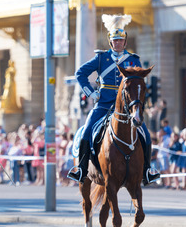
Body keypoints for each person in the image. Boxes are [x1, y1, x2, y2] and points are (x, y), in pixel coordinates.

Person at [67, 14, 160, 185]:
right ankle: (81, 169)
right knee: (87, 131)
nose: (118, 43)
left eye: (121, 40)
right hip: (103, 104)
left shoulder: (133, 60)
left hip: (126, 108)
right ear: (111, 42)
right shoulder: (102, 58)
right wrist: (90, 92)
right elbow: (80, 73)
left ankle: (147, 170)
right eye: (115, 40)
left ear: (125, 42)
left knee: (145, 135)